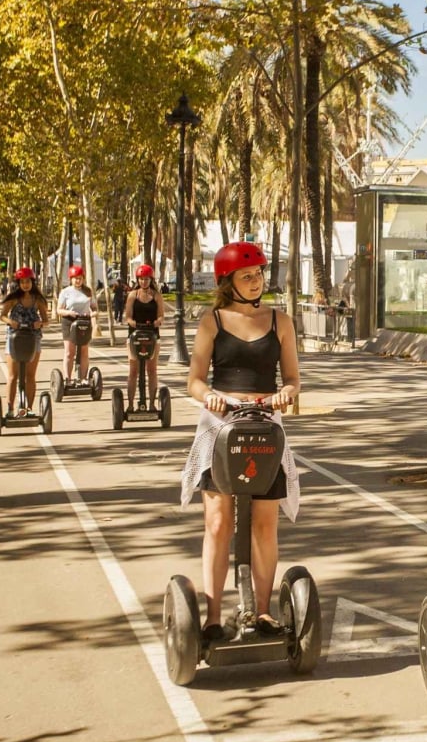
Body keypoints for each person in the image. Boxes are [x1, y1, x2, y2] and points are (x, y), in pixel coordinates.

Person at [180, 242, 300, 644]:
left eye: (259, 274)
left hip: (265, 424)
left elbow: (294, 379)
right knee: (218, 523)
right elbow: (194, 380)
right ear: (226, 281)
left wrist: (287, 393)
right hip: (221, 425)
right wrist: (208, 395)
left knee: (264, 525)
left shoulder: (280, 320)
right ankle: (213, 617)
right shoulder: (212, 321)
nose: (256, 281)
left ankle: (262, 611)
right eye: (247, 275)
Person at [0, 267, 49, 417]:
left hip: (33, 337)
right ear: (18, 283)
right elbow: (2, 316)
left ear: (32, 282)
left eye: (28, 281)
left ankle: (28, 408)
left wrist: (40, 323)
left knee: (30, 375)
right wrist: (11, 322)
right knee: (13, 375)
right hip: (14, 337)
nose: (25, 285)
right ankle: (10, 409)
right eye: (22, 282)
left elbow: (46, 320)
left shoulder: (38, 299)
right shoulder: (13, 298)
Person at [125, 264, 167, 409]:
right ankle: (130, 405)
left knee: (152, 370)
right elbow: (128, 317)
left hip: (153, 335)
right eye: (141, 279)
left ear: (151, 279)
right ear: (137, 280)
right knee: (133, 370)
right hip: (134, 335)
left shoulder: (156, 296)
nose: (144, 282)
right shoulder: (132, 295)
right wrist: (133, 323)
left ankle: (152, 404)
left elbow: (161, 315)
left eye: (147, 279)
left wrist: (158, 322)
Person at [56, 264, 96, 382]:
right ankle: (67, 378)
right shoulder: (65, 292)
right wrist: (69, 312)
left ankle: (83, 378)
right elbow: (59, 310)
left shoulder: (88, 291)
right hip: (69, 321)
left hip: (84, 321)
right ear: (71, 279)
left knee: (84, 351)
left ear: (83, 278)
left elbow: (95, 308)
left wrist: (91, 314)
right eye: (75, 278)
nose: (78, 280)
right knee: (69, 352)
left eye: (80, 278)